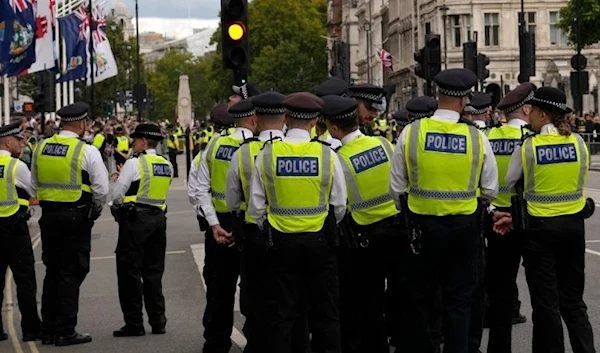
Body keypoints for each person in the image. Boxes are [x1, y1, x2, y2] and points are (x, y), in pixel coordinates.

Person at [389, 68, 498, 353]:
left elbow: (396, 187)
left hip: (421, 230)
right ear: (464, 101)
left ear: (438, 95)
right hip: (464, 230)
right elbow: (490, 190)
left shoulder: (412, 132)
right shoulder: (476, 138)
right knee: (459, 303)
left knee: (419, 301)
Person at [498, 87, 595, 353]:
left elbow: (510, 179)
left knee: (546, 303)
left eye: (532, 112)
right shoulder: (579, 143)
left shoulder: (529, 146)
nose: (528, 118)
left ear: (542, 114)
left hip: (539, 230)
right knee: (573, 301)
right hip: (574, 227)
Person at [248, 92, 347, 353]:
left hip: (280, 243)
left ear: (286, 118)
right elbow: (339, 204)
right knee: (326, 313)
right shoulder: (327, 154)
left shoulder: (267, 154)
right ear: (315, 121)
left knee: (283, 314)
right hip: (319, 242)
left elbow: (256, 207)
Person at [322, 95, 400, 353]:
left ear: (333, 128)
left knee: (369, 302)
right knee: (400, 297)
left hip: (364, 238)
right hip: (396, 229)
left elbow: (339, 205)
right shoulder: (383, 143)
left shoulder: (339, 158)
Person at [32, 102, 109, 346]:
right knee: (72, 270)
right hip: (76, 216)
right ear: (81, 123)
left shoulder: (41, 147)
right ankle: (66, 330)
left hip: (49, 216)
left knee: (52, 270)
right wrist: (94, 212)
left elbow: (34, 184)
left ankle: (48, 329)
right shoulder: (85, 150)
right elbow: (101, 190)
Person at [188, 101, 256, 353]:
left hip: (220, 224)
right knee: (255, 287)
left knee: (219, 289)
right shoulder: (261, 146)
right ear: (254, 119)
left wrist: (214, 224)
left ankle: (216, 343)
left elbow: (199, 189)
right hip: (251, 225)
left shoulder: (215, 144)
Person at [225, 93, 285, 353]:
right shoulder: (303, 149)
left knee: (256, 295)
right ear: (284, 119)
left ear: (256, 119)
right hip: (294, 233)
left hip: (256, 235)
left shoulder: (243, 153)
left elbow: (231, 200)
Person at [110, 123, 173, 337]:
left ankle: (134, 323)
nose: (132, 143)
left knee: (130, 272)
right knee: (154, 272)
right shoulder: (166, 163)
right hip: (158, 220)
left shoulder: (135, 163)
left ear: (144, 142)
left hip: (135, 220)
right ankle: (158, 320)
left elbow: (118, 194)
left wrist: (117, 201)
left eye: (135, 140)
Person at [484, 82, 534, 353]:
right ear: (527, 110)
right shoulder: (530, 138)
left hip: (496, 222)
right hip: (528, 219)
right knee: (541, 292)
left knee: (501, 292)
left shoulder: (489, 136)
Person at [0, 123, 41, 342]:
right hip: (14, 227)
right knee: (25, 280)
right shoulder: (15, 166)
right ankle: (31, 328)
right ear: (8, 142)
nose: (21, 143)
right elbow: (33, 190)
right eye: (18, 140)